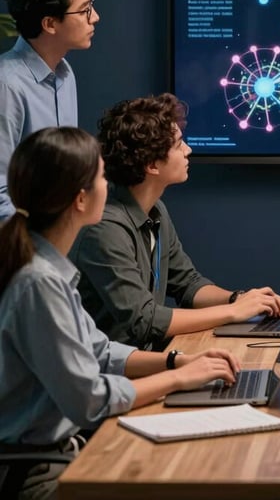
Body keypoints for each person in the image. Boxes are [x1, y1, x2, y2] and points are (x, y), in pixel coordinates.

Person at [0, 127, 241, 500]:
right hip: (37, 474)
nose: (108, 185)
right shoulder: (39, 283)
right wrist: (178, 379)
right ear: (81, 199)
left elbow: (100, 351)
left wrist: (177, 362)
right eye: (101, 177)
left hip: (59, 457)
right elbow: (91, 400)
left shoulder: (48, 270)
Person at [69, 93, 280, 350]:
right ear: (152, 164)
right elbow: (145, 320)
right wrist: (233, 312)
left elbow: (188, 284)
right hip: (118, 369)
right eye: (179, 144)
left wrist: (238, 298)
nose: (188, 150)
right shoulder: (105, 230)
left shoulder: (156, 211)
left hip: (147, 358)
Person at [0, 0, 100, 221]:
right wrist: (38, 243)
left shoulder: (65, 74)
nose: (95, 17)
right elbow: (0, 196)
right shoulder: (6, 85)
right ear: (50, 24)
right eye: (84, 10)